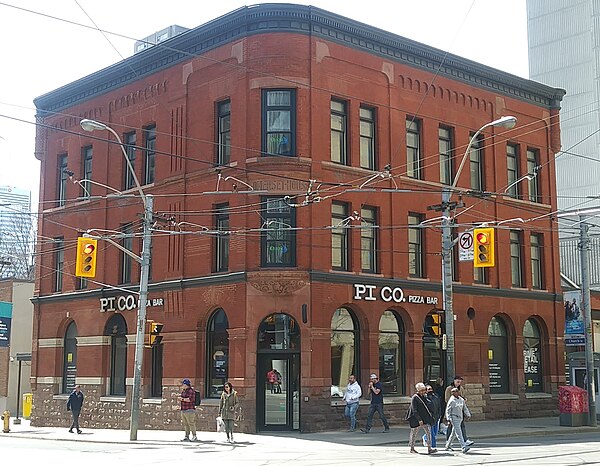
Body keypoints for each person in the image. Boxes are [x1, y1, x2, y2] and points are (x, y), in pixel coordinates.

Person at [406, 382, 436, 454]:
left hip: (425, 418)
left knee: (428, 432)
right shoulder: (415, 398)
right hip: (416, 419)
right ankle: (412, 448)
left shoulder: (424, 397)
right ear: (418, 391)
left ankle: (429, 448)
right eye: (421, 390)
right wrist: (419, 419)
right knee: (414, 433)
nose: (423, 392)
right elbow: (414, 410)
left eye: (424, 390)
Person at [444, 375, 472, 446]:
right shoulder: (449, 388)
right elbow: (447, 399)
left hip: (460, 409)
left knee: (461, 425)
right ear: (454, 381)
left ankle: (465, 439)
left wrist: (464, 400)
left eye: (460, 382)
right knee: (451, 427)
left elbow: (463, 397)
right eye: (457, 381)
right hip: (453, 411)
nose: (458, 383)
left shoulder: (461, 388)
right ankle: (451, 441)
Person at [422, 384, 441, 448]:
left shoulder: (436, 397)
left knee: (435, 433)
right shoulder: (425, 398)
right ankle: (433, 446)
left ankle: (425, 437)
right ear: (426, 391)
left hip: (436, 417)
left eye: (431, 389)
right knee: (432, 433)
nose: (430, 390)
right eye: (428, 389)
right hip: (429, 418)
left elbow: (439, 406)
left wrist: (439, 415)